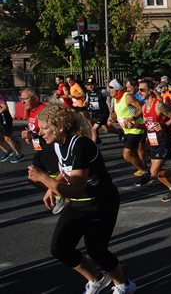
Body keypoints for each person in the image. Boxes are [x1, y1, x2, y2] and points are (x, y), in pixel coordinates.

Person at [27, 103, 136, 294]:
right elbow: (65, 170)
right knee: (60, 248)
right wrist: (51, 189)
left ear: (59, 127)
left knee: (96, 249)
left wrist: (44, 179)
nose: (40, 132)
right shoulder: (59, 145)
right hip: (79, 204)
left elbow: (76, 190)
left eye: (44, 128)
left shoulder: (81, 145)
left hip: (100, 202)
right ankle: (97, 279)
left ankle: (124, 284)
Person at [136, 79, 171, 202]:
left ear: (150, 91)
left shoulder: (159, 105)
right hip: (153, 141)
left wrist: (164, 125)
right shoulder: (144, 107)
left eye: (142, 89)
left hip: (163, 140)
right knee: (156, 172)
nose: (139, 92)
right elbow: (147, 125)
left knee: (154, 171)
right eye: (138, 89)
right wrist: (134, 125)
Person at [106, 79, 150, 185]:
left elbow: (141, 107)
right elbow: (120, 113)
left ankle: (146, 172)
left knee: (127, 155)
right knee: (134, 153)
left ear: (117, 88)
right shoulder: (116, 99)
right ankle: (146, 170)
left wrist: (133, 118)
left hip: (136, 129)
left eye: (111, 88)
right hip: (127, 130)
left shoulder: (127, 96)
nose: (109, 90)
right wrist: (112, 119)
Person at [85, 77, 113, 145]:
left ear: (96, 84)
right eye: (89, 85)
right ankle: (120, 132)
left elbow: (112, 96)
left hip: (103, 113)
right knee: (106, 129)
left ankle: (93, 146)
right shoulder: (88, 93)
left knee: (94, 129)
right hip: (94, 113)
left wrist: (112, 106)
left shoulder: (102, 91)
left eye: (92, 84)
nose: (90, 86)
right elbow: (87, 101)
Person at [0, 92, 24, 163]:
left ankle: (19, 154)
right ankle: (7, 151)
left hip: (4, 118)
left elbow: (4, 107)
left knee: (7, 137)